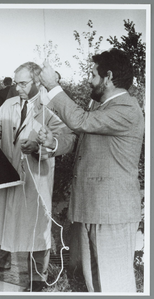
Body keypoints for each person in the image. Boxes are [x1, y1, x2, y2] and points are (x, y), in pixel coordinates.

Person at [37, 49, 144, 293]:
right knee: (93, 284)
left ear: (108, 77)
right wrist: (53, 143)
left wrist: (53, 86)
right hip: (90, 209)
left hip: (111, 214)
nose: (88, 79)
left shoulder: (127, 108)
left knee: (114, 286)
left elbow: (80, 122)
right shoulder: (101, 106)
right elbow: (78, 137)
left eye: (92, 74)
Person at [0, 62, 75, 292]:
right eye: (16, 83)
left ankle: (37, 277)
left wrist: (43, 145)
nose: (18, 88)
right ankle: (0, 260)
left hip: (36, 177)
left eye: (23, 83)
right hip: (9, 172)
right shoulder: (9, 104)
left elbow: (68, 139)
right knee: (5, 217)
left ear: (37, 82)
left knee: (37, 224)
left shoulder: (50, 107)